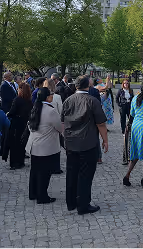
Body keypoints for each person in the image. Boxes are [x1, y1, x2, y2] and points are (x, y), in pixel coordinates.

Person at [61, 75, 108, 215]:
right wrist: (105, 140)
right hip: (87, 142)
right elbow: (100, 123)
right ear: (88, 86)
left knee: (72, 173)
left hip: (71, 142)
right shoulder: (92, 101)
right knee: (85, 174)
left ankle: (71, 202)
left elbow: (63, 122)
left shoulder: (68, 100)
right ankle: (83, 204)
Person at [26, 87, 63, 204]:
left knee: (35, 170)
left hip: (34, 144)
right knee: (45, 172)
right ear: (48, 97)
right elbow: (60, 127)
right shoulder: (50, 110)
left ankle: (33, 193)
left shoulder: (35, 107)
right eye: (51, 94)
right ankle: (42, 196)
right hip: (46, 147)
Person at [2, 83, 32, 169]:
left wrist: (8, 114)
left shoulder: (17, 99)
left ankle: (14, 163)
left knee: (14, 144)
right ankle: (21, 161)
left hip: (16, 123)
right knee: (22, 143)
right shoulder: (29, 101)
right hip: (25, 123)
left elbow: (12, 111)